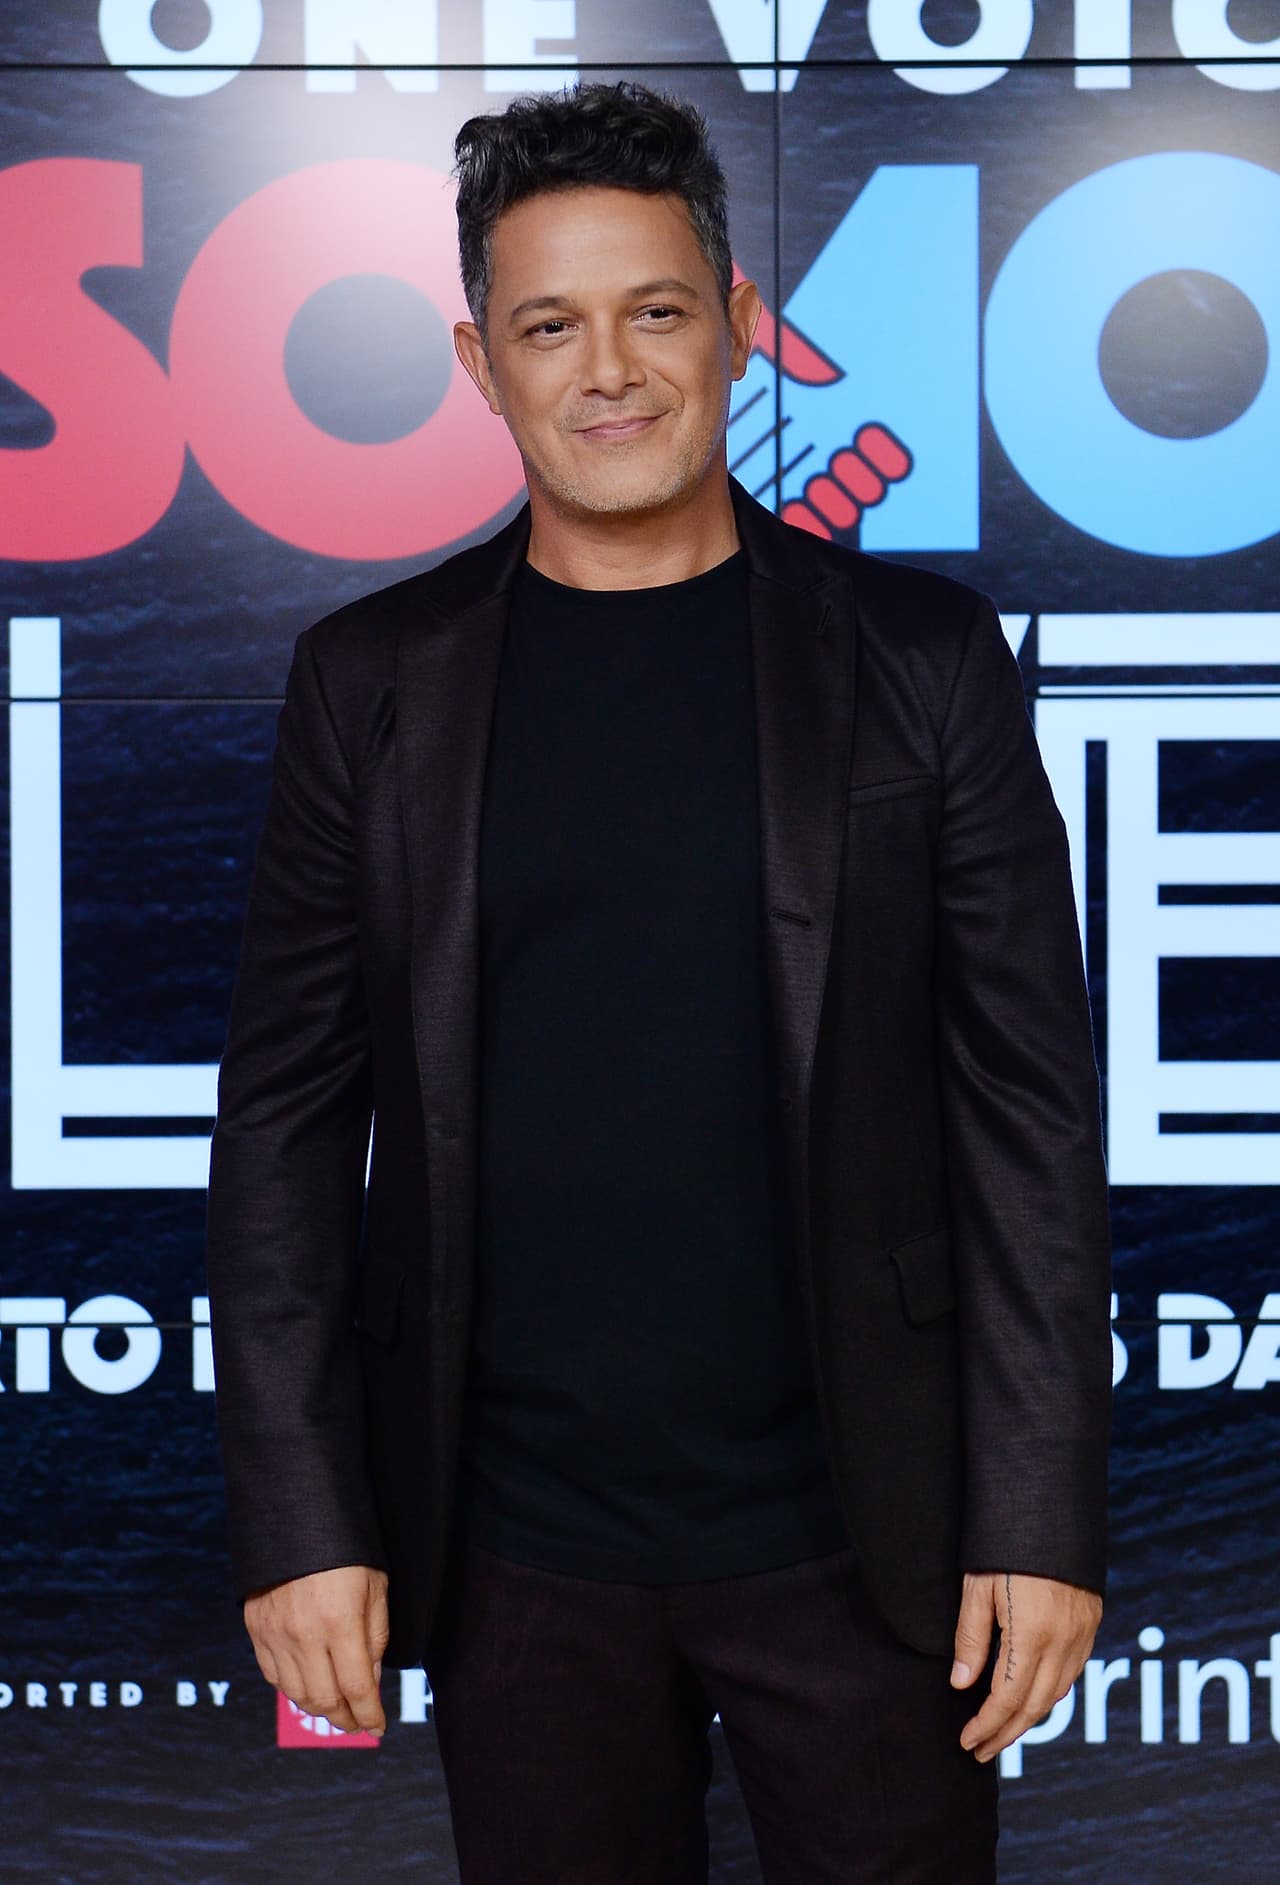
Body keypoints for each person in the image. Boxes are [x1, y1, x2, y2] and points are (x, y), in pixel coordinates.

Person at [205, 79, 1112, 1883]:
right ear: (482, 362)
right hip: (515, 1546)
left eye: (656, 311)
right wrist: (303, 1518)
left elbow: (1027, 1108)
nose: (607, 368)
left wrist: (1040, 1509)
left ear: (741, 325)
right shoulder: (369, 685)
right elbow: (287, 1128)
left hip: (876, 1542)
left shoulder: (919, 664)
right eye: (550, 324)